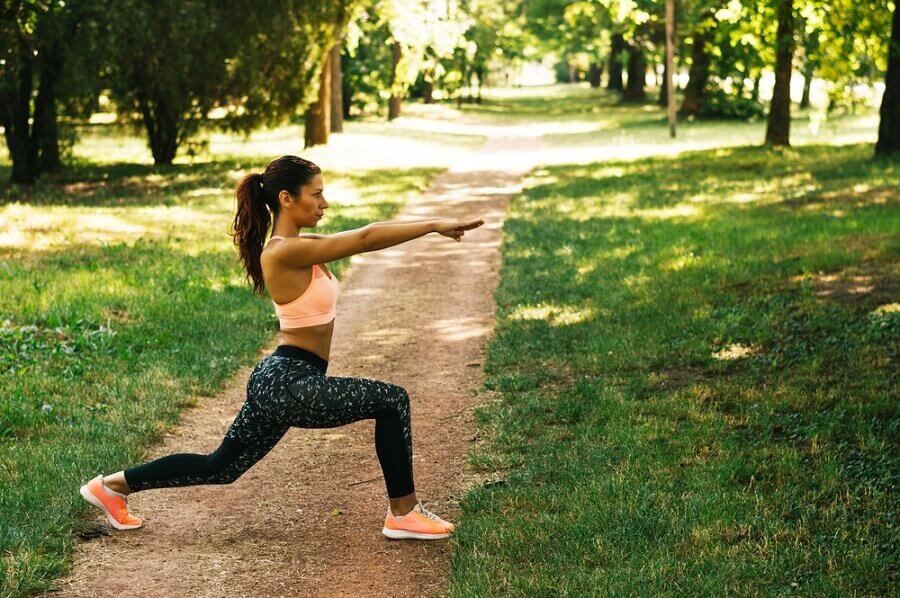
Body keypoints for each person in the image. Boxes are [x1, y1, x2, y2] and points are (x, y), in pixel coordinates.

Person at [79, 154, 484, 541]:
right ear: (287, 199)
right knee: (391, 401)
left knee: (220, 467)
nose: (324, 203)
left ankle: (109, 487)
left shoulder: (301, 246)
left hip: (282, 379)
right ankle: (405, 514)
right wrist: (432, 224)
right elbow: (364, 237)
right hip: (290, 381)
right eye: (316, 194)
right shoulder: (284, 251)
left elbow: (356, 237)